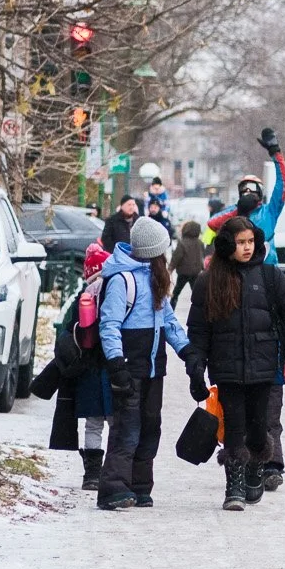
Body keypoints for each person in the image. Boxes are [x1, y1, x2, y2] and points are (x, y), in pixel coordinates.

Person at [187, 216, 285, 511]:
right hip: (227, 368)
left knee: (258, 427)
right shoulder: (209, 281)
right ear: (227, 245)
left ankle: (256, 464)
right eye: (240, 242)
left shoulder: (269, 276)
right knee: (233, 426)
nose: (247, 248)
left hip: (264, 366)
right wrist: (196, 367)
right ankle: (234, 485)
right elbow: (199, 329)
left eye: (250, 242)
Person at [206, 131, 285, 488]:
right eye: (244, 189)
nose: (250, 193)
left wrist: (276, 152)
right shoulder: (235, 219)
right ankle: (241, 464)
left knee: (268, 402)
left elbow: (284, 185)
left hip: (267, 291)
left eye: (253, 189)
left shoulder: (269, 212)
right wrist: (238, 211)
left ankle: (271, 464)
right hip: (236, 294)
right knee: (241, 404)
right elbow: (214, 224)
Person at [95, 217, 190, 510]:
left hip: (153, 368)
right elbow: (109, 325)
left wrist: (187, 352)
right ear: (154, 251)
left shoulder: (154, 278)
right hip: (129, 367)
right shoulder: (122, 280)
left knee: (150, 426)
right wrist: (116, 363)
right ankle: (113, 487)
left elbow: (168, 321)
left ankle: (139, 485)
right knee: (127, 427)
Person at [35, 242, 115, 491]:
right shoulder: (114, 291)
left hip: (88, 370)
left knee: (93, 423)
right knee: (117, 422)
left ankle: (91, 475)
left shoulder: (84, 296)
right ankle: (117, 470)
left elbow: (71, 330)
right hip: (111, 367)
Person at [169, 219, 205, 310]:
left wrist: (170, 269)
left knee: (176, 292)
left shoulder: (182, 243)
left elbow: (176, 257)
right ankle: (201, 309)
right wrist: (203, 268)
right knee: (197, 292)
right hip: (195, 272)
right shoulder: (199, 242)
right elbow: (201, 257)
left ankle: (171, 308)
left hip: (183, 272)